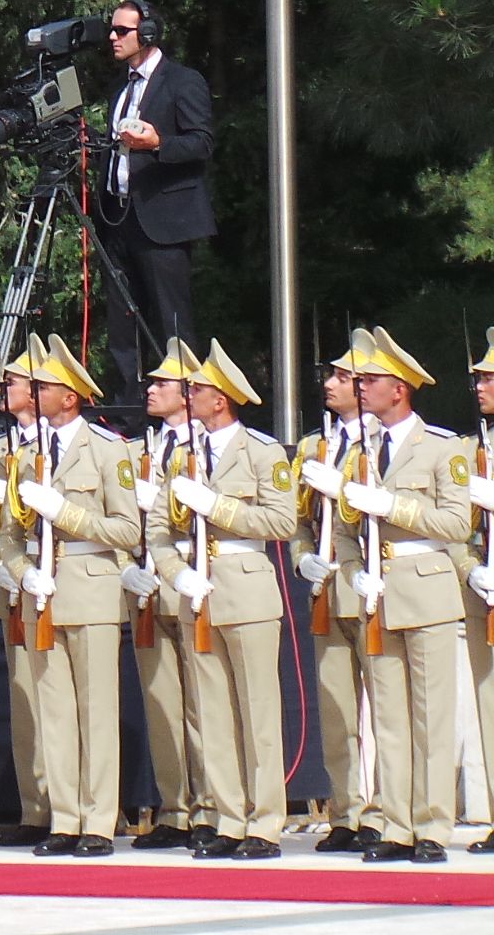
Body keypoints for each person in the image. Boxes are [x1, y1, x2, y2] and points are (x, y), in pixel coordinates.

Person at [300, 327, 471, 862]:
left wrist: (389, 505)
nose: (361, 386)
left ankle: (433, 828)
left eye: (370, 380)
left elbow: (455, 523)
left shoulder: (443, 447)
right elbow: (346, 527)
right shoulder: (359, 449)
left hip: (425, 590)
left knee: (429, 718)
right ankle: (396, 826)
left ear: (399, 389)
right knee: (389, 720)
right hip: (377, 593)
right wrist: (351, 571)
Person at [146, 339, 291, 860]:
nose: (192, 395)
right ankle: (228, 820)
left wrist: (217, 505)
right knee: (214, 714)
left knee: (257, 714)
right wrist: (176, 573)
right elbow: (158, 529)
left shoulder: (263, 452)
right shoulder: (182, 456)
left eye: (200, 389)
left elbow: (280, 521)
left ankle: (265, 822)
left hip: (246, 584)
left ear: (221, 400)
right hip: (196, 591)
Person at [10, 335, 139, 856]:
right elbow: (8, 534)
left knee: (96, 711)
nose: (31, 393)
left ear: (70, 398)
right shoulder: (25, 453)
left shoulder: (109, 451)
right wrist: (21, 572)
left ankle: (98, 821)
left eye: (43, 387)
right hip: (42, 593)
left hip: (90, 587)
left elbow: (127, 529)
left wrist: (65, 514)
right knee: (54, 713)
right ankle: (64, 819)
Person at [94, 0, 215, 393]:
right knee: (122, 323)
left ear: (147, 34)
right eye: (112, 30)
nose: (112, 37)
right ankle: (128, 413)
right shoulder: (118, 87)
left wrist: (158, 143)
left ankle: (182, 407)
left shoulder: (182, 80)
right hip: (119, 216)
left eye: (121, 31)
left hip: (163, 218)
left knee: (170, 322)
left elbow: (201, 143)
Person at [290, 333, 376, 853]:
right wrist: (303, 554)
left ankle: (388, 810)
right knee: (337, 709)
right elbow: (299, 518)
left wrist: (341, 490)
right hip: (326, 586)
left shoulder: (381, 442)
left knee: (384, 709)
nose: (329, 384)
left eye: (342, 377)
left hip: (371, 584)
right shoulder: (310, 446)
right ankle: (347, 812)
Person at [126, 346, 201, 850]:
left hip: (194, 582)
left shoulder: (207, 448)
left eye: (162, 383)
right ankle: (176, 810)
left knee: (204, 706)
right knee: (164, 707)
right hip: (150, 588)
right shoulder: (141, 449)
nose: (151, 389)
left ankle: (213, 809)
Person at [0, 344, 49, 847]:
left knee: (66, 703)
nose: (4, 387)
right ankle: (37, 806)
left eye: (15, 380)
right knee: (26, 700)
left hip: (61, 583)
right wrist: (1, 570)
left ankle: (80, 808)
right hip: (18, 583)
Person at [464, 331, 494, 857]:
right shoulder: (472, 450)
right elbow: (457, 528)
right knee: (490, 707)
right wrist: (471, 568)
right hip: (486, 591)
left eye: (488, 378)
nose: (480, 385)